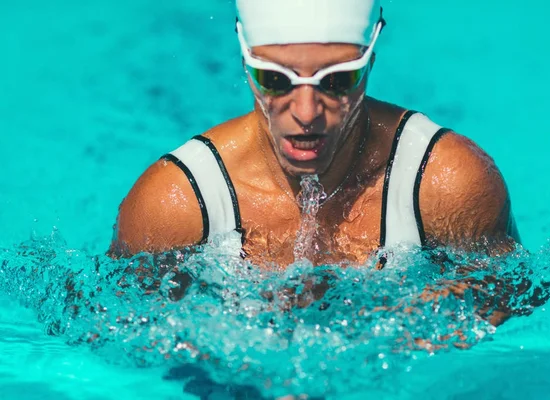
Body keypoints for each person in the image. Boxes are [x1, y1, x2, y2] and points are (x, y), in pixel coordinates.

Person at [109, 0, 520, 274]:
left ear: (370, 65)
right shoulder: (174, 204)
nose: (306, 113)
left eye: (337, 80)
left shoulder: (446, 182)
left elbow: (506, 302)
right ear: (246, 70)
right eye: (275, 80)